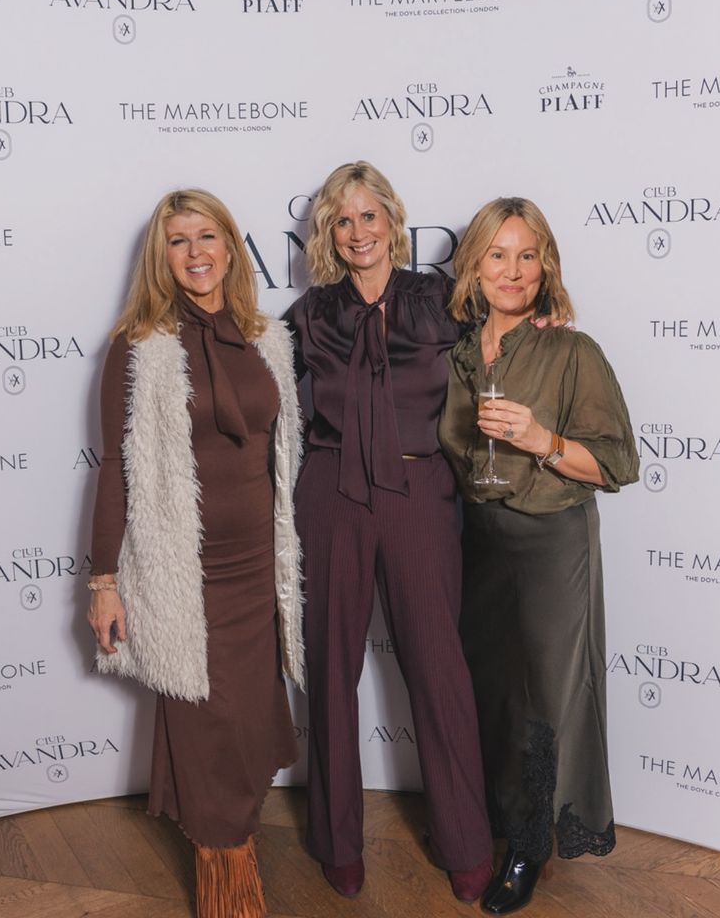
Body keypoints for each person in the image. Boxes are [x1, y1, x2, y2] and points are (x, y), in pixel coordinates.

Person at [87, 189, 304, 918]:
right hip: (189, 575)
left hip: (258, 574)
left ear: (230, 245)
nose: (196, 253)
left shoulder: (266, 337)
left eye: (207, 236)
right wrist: (103, 581)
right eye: (178, 241)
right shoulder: (140, 348)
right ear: (161, 256)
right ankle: (229, 888)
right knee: (207, 731)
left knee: (247, 733)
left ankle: (234, 861)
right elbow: (115, 467)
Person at [285, 161, 492, 903]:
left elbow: (507, 336)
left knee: (439, 668)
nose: (359, 231)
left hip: (418, 492)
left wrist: (545, 319)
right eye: (343, 220)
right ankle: (336, 841)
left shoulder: (440, 300)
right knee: (331, 667)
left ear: (393, 221)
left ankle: (467, 841)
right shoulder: (310, 314)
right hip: (332, 492)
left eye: (370, 215)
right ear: (329, 235)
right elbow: (260, 387)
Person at [439, 196, 639, 915]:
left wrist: (541, 440)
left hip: (552, 543)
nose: (513, 271)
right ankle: (497, 821)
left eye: (528, 255)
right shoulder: (456, 352)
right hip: (479, 543)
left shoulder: (570, 351)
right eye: (498, 254)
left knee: (544, 698)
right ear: (474, 265)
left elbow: (618, 465)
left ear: (545, 264)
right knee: (490, 691)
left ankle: (529, 846)